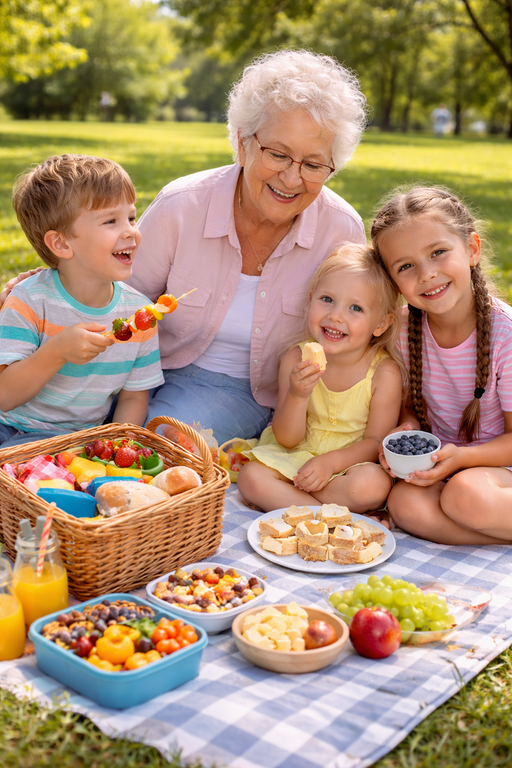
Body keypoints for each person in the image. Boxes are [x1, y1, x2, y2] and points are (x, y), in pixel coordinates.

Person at [1, 51, 367, 445]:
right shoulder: (182, 204)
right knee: (74, 433)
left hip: (237, 389)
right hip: (129, 370)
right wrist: (45, 285)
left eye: (313, 165)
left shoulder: (340, 230)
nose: (292, 178)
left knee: (156, 446)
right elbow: (115, 289)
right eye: (278, 154)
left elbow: (368, 328)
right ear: (243, 144)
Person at [372, 186, 512, 545]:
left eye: (438, 253)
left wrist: (463, 459)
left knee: (465, 495)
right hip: (445, 464)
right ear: (392, 280)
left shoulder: (505, 336)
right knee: (404, 503)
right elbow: (410, 407)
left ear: (472, 250)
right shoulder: (403, 330)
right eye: (406, 266)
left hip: (496, 470)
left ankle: (483, 517)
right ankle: (498, 537)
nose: (427, 274)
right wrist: (406, 430)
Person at [0, 154, 164, 449]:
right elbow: (5, 396)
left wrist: (117, 444)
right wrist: (57, 352)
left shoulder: (140, 314)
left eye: (131, 217)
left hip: (83, 439)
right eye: (111, 221)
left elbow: (133, 396)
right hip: (13, 430)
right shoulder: (28, 301)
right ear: (61, 244)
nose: (130, 230)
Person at [237, 244, 404, 514]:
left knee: (371, 486)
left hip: (348, 466)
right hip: (295, 458)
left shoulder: (384, 373)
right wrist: (297, 395)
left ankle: (295, 505)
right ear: (311, 298)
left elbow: (375, 443)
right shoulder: (296, 359)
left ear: (381, 325)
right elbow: (287, 439)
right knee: (251, 477)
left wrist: (330, 464)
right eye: (327, 299)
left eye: (355, 308)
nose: (336, 316)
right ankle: (331, 517)